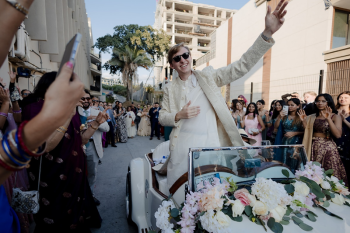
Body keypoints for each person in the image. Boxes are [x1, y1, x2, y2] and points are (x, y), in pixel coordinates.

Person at [159, 0, 287, 189]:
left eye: (185, 55)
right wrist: (179, 115)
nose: (183, 60)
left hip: (210, 148)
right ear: (172, 65)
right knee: (180, 193)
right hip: (181, 149)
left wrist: (267, 34)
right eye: (177, 58)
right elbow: (162, 117)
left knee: (212, 194)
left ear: (190, 57)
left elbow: (240, 66)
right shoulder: (169, 88)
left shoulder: (209, 76)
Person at [22, 71, 105, 233]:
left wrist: (95, 124)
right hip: (52, 180)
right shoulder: (35, 108)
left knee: (76, 219)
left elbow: (79, 140)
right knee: (55, 222)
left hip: (74, 177)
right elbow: (44, 146)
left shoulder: (70, 109)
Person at [300, 94, 348, 184]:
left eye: (323, 101)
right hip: (313, 147)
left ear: (328, 102)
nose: (320, 103)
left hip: (327, 148)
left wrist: (328, 119)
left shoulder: (335, 116)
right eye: (318, 101)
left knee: (329, 175)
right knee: (312, 174)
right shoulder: (312, 116)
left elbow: (338, 135)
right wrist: (303, 121)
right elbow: (307, 131)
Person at [78, 90, 109, 206]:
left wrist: (96, 122)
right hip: (77, 146)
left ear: (90, 100)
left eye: (87, 98)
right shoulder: (74, 112)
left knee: (91, 173)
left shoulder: (97, 112)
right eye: (83, 98)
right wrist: (86, 121)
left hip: (92, 145)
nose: (85, 101)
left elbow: (106, 128)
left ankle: (90, 195)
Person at [274, 98, 304, 167]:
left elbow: (306, 131)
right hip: (284, 141)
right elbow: (276, 127)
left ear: (298, 106)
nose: (290, 107)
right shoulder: (284, 116)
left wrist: (295, 133)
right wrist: (279, 117)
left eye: (292, 105)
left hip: (296, 142)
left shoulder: (300, 116)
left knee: (294, 160)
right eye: (288, 105)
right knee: (284, 159)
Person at [335, 91, 350, 181]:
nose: (342, 99)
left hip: (347, 143)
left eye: (346, 98)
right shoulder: (332, 111)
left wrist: (344, 120)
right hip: (334, 141)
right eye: (341, 97)